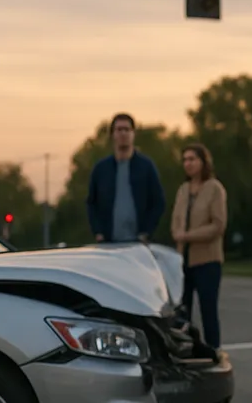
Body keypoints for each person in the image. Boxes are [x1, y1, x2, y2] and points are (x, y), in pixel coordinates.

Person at [170, 143, 227, 347]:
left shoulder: (214, 189)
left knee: (208, 310)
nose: (188, 163)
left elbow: (218, 225)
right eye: (185, 159)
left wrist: (187, 236)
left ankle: (214, 351)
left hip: (207, 261)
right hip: (182, 262)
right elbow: (175, 221)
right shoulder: (183, 190)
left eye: (192, 159)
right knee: (181, 312)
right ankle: (184, 351)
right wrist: (178, 235)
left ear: (203, 162)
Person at [86, 113, 166, 243]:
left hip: (138, 243)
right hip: (108, 242)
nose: (123, 133)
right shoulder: (101, 169)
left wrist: (146, 231)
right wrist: (98, 231)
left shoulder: (146, 167)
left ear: (133, 134)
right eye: (119, 130)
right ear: (112, 134)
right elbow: (91, 203)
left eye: (127, 129)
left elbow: (158, 202)